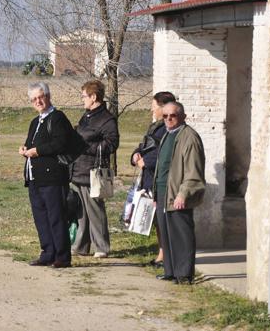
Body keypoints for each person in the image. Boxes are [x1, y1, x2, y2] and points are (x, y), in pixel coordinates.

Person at [19, 82, 73, 268]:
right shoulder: (35, 122)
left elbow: (61, 144)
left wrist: (38, 151)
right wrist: (24, 149)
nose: (38, 101)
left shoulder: (57, 118)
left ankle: (62, 256)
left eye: (40, 97)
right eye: (34, 99)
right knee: (41, 217)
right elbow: (29, 143)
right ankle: (47, 252)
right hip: (34, 177)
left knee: (56, 216)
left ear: (48, 96)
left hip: (53, 177)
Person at [152, 101, 205, 284]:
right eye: (164, 116)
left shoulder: (189, 137)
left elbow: (193, 170)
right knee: (166, 235)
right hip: (163, 192)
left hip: (177, 193)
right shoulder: (168, 134)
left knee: (181, 234)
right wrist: (155, 194)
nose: (168, 119)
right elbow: (162, 166)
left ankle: (183, 274)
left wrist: (184, 193)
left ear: (182, 116)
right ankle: (171, 271)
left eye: (172, 116)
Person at [70, 80, 119, 258]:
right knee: (81, 212)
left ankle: (102, 247)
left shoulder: (107, 119)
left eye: (84, 96)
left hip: (93, 172)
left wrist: (86, 148)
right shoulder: (87, 116)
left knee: (95, 211)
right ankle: (81, 246)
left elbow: (112, 143)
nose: (82, 99)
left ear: (93, 97)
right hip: (78, 169)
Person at [129, 91, 176, 267]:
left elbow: (162, 153)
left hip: (159, 178)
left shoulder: (167, 129)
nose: (151, 109)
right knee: (157, 221)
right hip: (149, 177)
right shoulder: (155, 126)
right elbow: (144, 145)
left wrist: (145, 162)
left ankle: (166, 256)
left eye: (154, 106)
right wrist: (135, 155)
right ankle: (161, 254)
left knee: (163, 221)